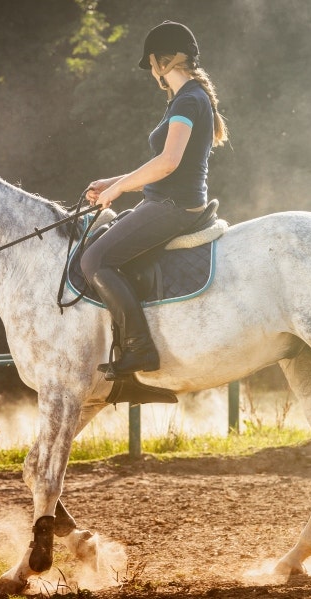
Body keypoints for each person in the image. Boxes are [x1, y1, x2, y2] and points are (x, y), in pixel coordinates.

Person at [81, 20, 229, 380]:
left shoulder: (188, 100)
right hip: (166, 201)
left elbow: (167, 163)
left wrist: (117, 191)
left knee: (95, 260)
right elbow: (163, 166)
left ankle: (140, 348)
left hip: (173, 207)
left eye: (150, 64)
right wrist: (113, 181)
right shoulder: (188, 98)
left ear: (162, 62)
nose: (151, 73)